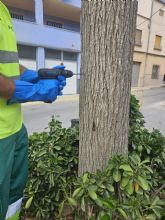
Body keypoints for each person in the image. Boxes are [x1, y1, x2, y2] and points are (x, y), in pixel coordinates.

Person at [0, 1, 66, 219]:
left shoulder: (4, 9)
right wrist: (36, 91)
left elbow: (7, 63)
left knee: (13, 198)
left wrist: (37, 74)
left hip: (14, 129)